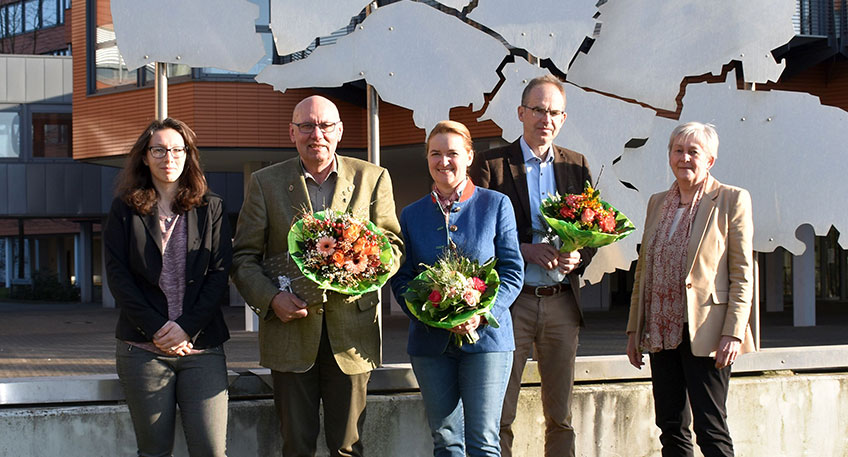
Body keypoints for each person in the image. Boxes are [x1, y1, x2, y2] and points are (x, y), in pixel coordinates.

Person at [231, 95, 403, 457]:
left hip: (352, 334)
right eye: (307, 126)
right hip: (290, 330)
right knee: (296, 445)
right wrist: (271, 299)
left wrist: (364, 264)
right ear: (292, 133)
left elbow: (393, 246)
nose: (316, 134)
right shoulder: (266, 183)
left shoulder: (372, 178)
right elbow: (243, 258)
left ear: (339, 131)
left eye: (325, 125)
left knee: (348, 446)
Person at [469, 75, 595, 457]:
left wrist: (578, 257)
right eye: (538, 110)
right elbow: (475, 237)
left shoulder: (576, 165)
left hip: (561, 302)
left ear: (564, 118)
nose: (546, 118)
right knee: (500, 413)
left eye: (554, 111)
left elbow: (592, 229)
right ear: (521, 113)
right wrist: (523, 249)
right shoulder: (492, 165)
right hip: (512, 303)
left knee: (561, 416)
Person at [391, 120, 524, 456]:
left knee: (483, 441)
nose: (444, 161)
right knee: (447, 441)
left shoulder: (495, 205)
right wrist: (429, 313)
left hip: (488, 343)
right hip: (429, 343)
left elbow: (512, 271)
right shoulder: (411, 214)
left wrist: (482, 314)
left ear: (469, 156)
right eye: (435, 154)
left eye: (452, 153)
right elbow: (402, 277)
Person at [626, 122, 755, 457]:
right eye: (678, 150)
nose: (684, 158)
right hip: (660, 329)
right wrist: (633, 330)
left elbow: (743, 274)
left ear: (710, 159)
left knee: (711, 428)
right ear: (669, 156)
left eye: (693, 152)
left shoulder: (731, 200)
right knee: (670, 427)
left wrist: (734, 332)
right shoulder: (657, 203)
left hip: (708, 332)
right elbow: (644, 272)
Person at [105, 118, 232, 457]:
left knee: (211, 450)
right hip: (142, 350)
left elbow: (219, 275)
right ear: (145, 157)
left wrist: (186, 328)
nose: (169, 157)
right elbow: (118, 278)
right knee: (154, 451)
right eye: (158, 150)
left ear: (189, 155)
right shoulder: (124, 209)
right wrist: (159, 329)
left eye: (177, 149)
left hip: (202, 348)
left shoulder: (211, 207)